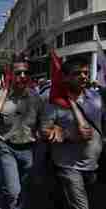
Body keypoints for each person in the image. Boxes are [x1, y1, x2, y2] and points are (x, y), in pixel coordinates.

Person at [42, 57, 105, 209]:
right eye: (77, 73)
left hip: (92, 165)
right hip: (68, 166)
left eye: (85, 72)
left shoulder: (95, 97)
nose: (84, 76)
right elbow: (44, 131)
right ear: (65, 77)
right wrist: (66, 134)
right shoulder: (54, 102)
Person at [0, 62, 44, 209]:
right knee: (14, 191)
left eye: (26, 73)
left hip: (29, 149)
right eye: (18, 73)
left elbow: (44, 122)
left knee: (24, 189)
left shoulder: (36, 98)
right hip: (7, 149)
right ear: (11, 75)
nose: (22, 76)